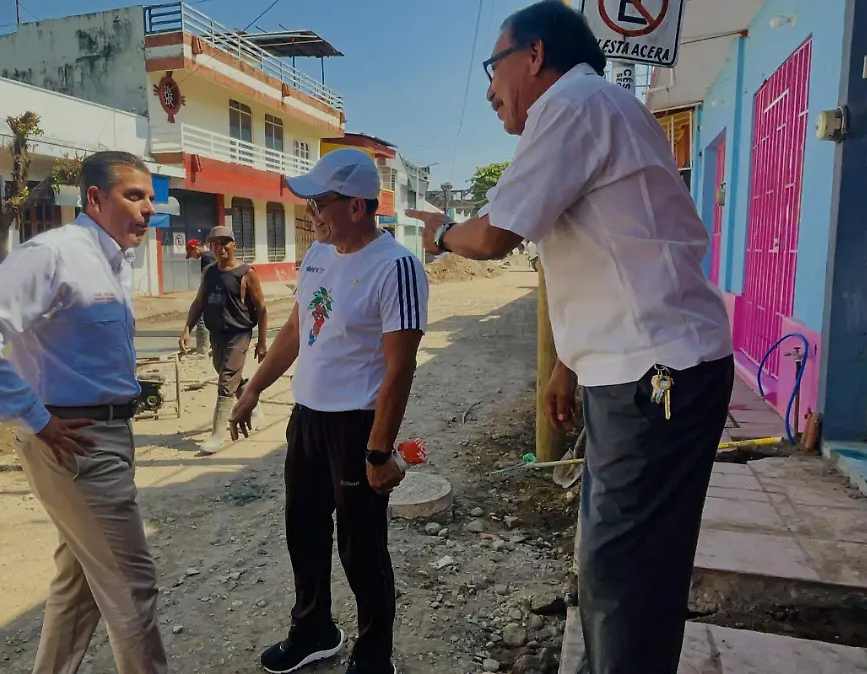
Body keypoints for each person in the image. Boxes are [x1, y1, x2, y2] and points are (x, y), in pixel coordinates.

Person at [407, 3, 734, 673]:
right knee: (624, 561)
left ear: (532, 57)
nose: (489, 87)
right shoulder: (596, 108)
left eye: (492, 67)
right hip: (648, 371)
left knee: (622, 572)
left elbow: (497, 234)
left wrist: (439, 231)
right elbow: (588, 252)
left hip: (655, 378)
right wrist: (567, 368)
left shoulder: (573, 103)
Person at [0, 151, 168, 674]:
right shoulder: (56, 254)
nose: (148, 209)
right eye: (134, 196)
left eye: (151, 197)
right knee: (133, 591)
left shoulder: (111, 261)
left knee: (81, 583)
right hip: (77, 444)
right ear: (94, 199)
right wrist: (33, 417)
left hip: (104, 433)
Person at [231, 148, 429, 674]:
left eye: (320, 201)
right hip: (309, 420)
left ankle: (373, 655)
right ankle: (314, 628)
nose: (311, 212)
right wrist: (253, 388)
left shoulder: (397, 267)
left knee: (361, 548)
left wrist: (380, 450)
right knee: (304, 531)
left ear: (358, 207)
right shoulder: (317, 256)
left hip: (358, 426)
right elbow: (298, 330)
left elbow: (399, 368)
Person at [179, 225, 268, 453]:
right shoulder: (209, 272)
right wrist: (187, 329)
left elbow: (261, 308)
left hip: (239, 333)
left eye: (225, 243)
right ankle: (254, 406)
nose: (221, 248)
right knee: (227, 373)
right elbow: (199, 302)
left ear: (234, 245)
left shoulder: (247, 274)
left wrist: (262, 341)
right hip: (216, 334)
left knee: (226, 379)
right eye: (215, 244)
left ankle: (217, 435)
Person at [185, 238, 217, 355]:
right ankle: (213, 347)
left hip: (211, 293)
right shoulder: (211, 254)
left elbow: (208, 278)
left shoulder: (206, 258)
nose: (193, 257)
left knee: (201, 319)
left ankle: (202, 350)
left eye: (191, 254)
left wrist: (203, 295)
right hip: (217, 292)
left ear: (195, 248)